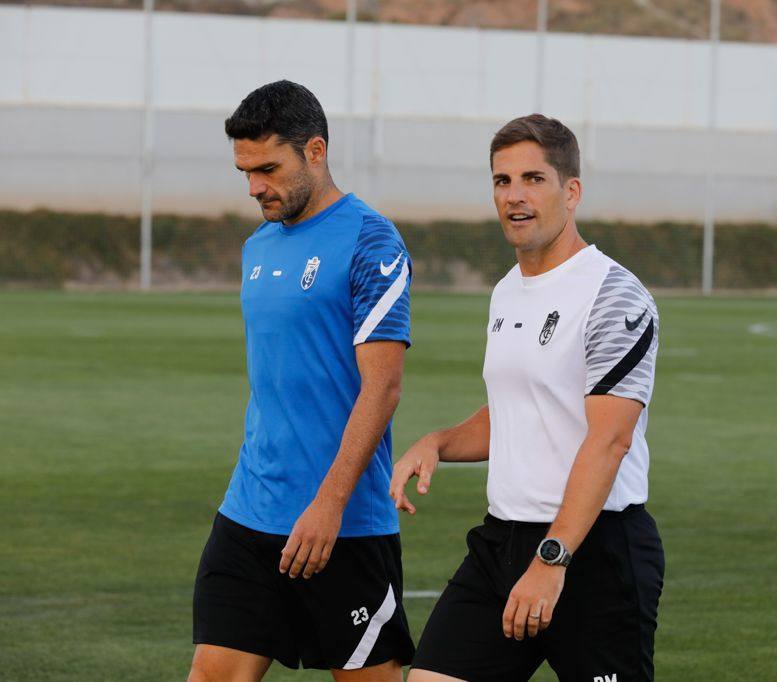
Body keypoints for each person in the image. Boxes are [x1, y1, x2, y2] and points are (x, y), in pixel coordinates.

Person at [391, 114, 664, 682]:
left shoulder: (615, 295)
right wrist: (438, 442)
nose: (514, 195)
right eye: (502, 180)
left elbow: (609, 442)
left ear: (572, 191)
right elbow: (519, 413)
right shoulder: (507, 291)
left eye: (533, 179)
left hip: (593, 551)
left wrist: (552, 559)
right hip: (502, 542)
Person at [189, 80, 415, 682]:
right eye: (245, 172)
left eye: (268, 169)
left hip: (343, 524)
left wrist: (328, 504)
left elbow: (383, 388)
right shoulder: (257, 246)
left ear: (315, 151)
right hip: (249, 512)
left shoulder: (372, 241)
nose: (255, 187)